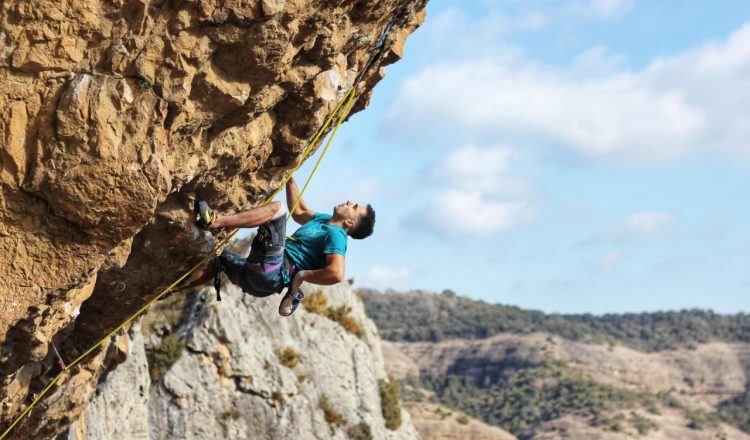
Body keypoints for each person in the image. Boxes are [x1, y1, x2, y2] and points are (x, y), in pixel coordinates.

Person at [183, 176, 375, 316]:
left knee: (277, 209)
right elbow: (300, 212)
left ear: (349, 223)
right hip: (255, 282)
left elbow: (337, 273)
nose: (350, 202)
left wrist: (301, 276)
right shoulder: (325, 220)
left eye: (354, 207)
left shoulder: (338, 236)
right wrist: (289, 177)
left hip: (273, 271)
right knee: (215, 259)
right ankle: (172, 289)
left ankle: (216, 221)